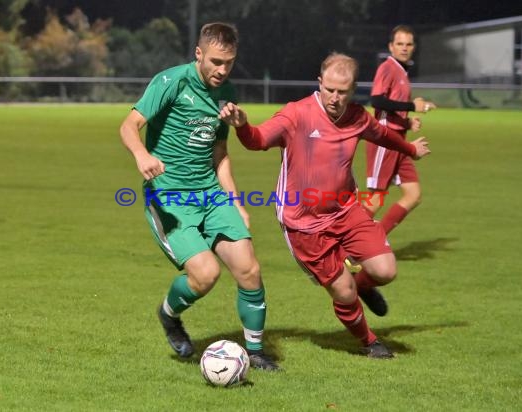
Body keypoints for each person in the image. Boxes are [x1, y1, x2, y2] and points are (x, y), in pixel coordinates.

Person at [219, 53, 430, 358]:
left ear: (353, 89)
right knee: (343, 292)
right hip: (303, 223)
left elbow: (382, 134)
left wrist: (411, 148)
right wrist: (242, 126)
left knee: (385, 269)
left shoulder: (357, 117)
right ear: (319, 83)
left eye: (342, 91)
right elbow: (258, 140)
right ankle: (370, 342)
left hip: (346, 211)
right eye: (329, 89)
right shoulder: (297, 114)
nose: (334, 97)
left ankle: (363, 284)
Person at [119, 22, 279, 371]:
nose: (222, 70)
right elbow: (128, 126)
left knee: (249, 269)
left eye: (229, 63)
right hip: (171, 198)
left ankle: (254, 351)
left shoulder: (228, 92)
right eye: (216, 62)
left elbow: (220, 153)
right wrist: (142, 156)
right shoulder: (171, 81)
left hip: (210, 193)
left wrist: (237, 204)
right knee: (205, 275)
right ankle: (169, 315)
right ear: (199, 54)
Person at [365, 25, 437, 234]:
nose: (404, 48)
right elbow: (377, 100)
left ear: (413, 47)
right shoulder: (387, 67)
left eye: (408, 44)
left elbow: (392, 105)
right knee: (375, 199)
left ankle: (375, 238)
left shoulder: (401, 72)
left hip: (400, 141)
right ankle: (344, 246)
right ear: (391, 46)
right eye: (400, 44)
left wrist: (407, 122)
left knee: (413, 195)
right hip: (385, 140)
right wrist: (412, 106)